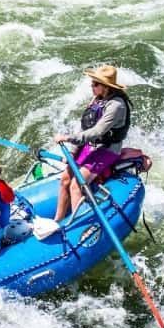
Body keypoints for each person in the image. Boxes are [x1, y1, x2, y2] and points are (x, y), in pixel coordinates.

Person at [53, 65, 132, 222]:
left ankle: (81, 224)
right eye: (92, 83)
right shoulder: (98, 99)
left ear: (106, 87)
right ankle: (58, 219)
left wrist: (69, 138)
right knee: (65, 179)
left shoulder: (116, 106)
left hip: (107, 149)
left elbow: (97, 132)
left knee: (77, 185)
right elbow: (86, 126)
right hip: (90, 146)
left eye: (95, 84)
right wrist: (73, 152)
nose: (92, 87)